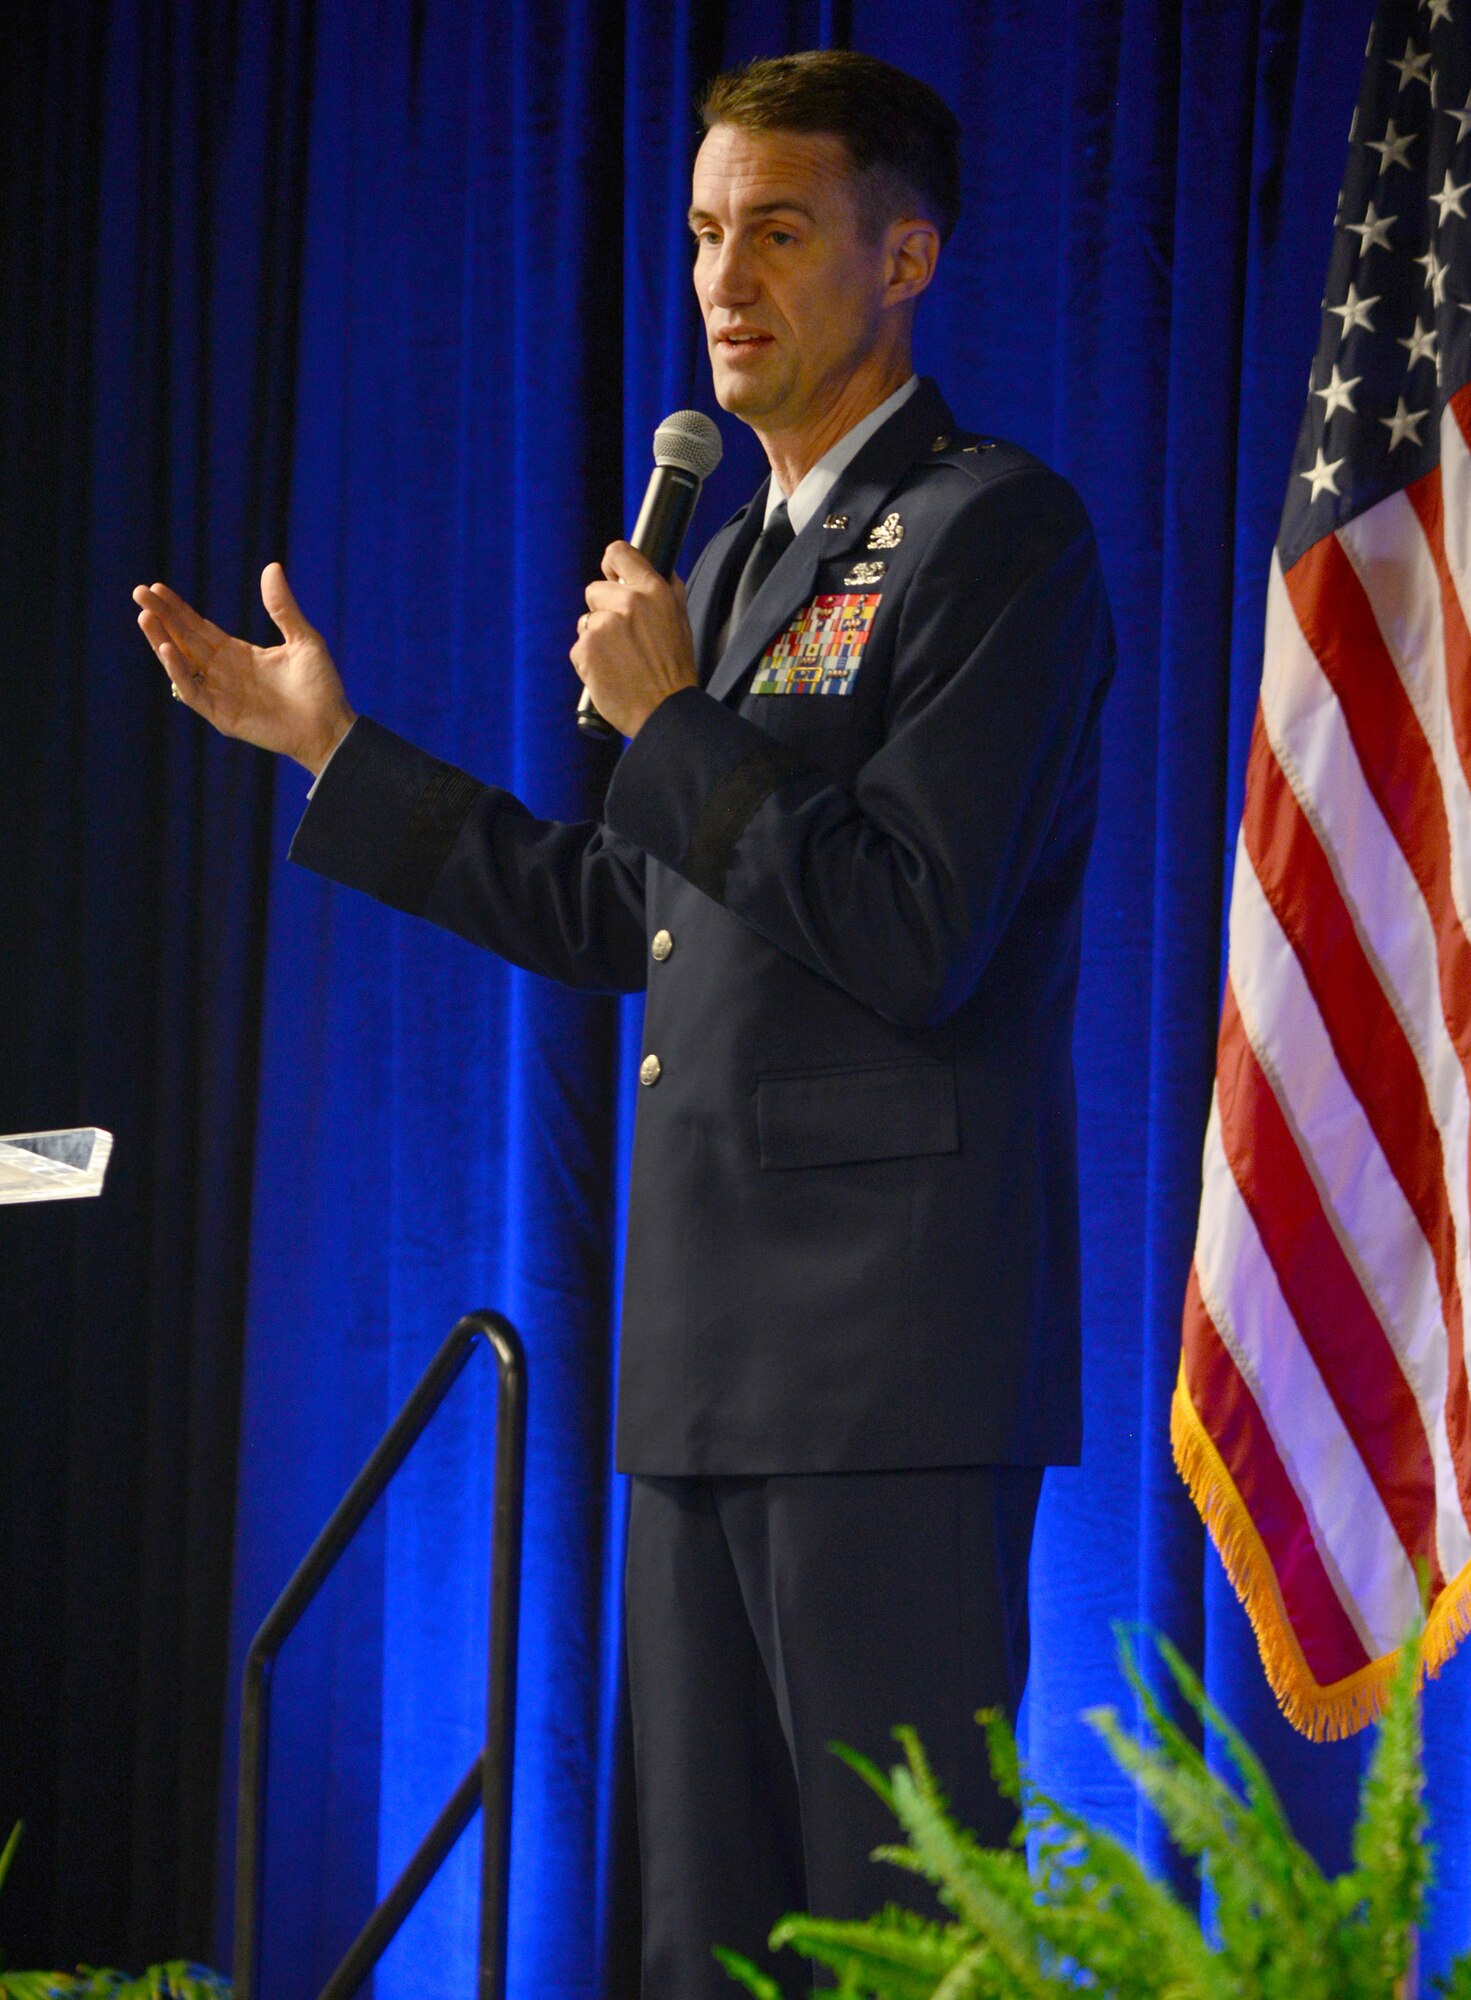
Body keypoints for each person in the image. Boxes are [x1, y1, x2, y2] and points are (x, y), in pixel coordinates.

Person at [134, 49, 1114, 1999]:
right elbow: (628, 916)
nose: (722, 279)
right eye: (698, 233)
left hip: (889, 1379)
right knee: (701, 1939)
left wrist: (673, 724)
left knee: (906, 1945)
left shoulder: (996, 534)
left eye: (776, 228)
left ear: (904, 252)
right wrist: (337, 751)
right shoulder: (735, 561)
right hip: (696, 1371)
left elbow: (910, 925)